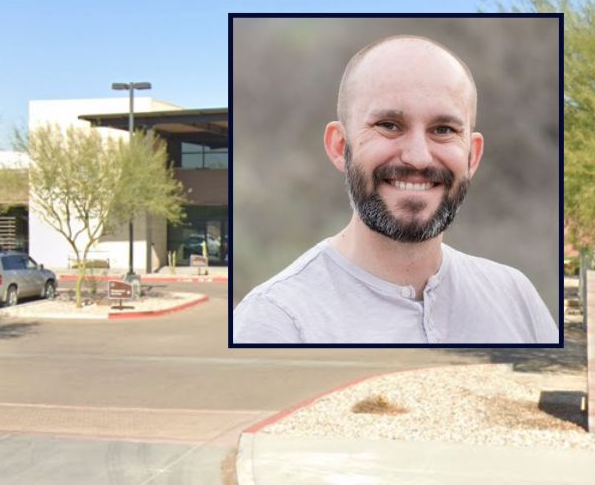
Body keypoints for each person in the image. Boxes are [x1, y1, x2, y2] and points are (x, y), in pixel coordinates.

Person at [233, 34, 558, 344]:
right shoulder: (276, 321)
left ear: (473, 155)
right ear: (339, 146)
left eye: (443, 130)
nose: (417, 157)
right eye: (389, 126)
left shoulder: (516, 297)